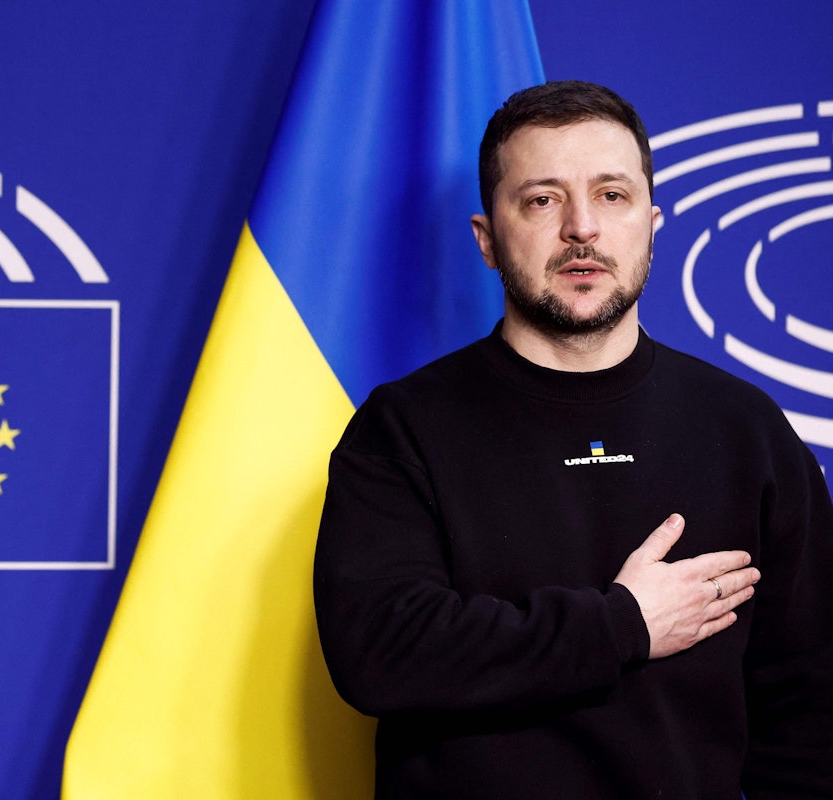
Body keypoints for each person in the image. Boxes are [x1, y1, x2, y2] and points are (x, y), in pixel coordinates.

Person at [313, 80, 833, 799]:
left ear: (650, 223)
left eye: (611, 196)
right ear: (486, 239)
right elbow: (379, 653)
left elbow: (810, 708)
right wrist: (621, 624)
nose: (581, 228)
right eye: (541, 199)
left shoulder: (746, 430)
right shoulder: (402, 427)